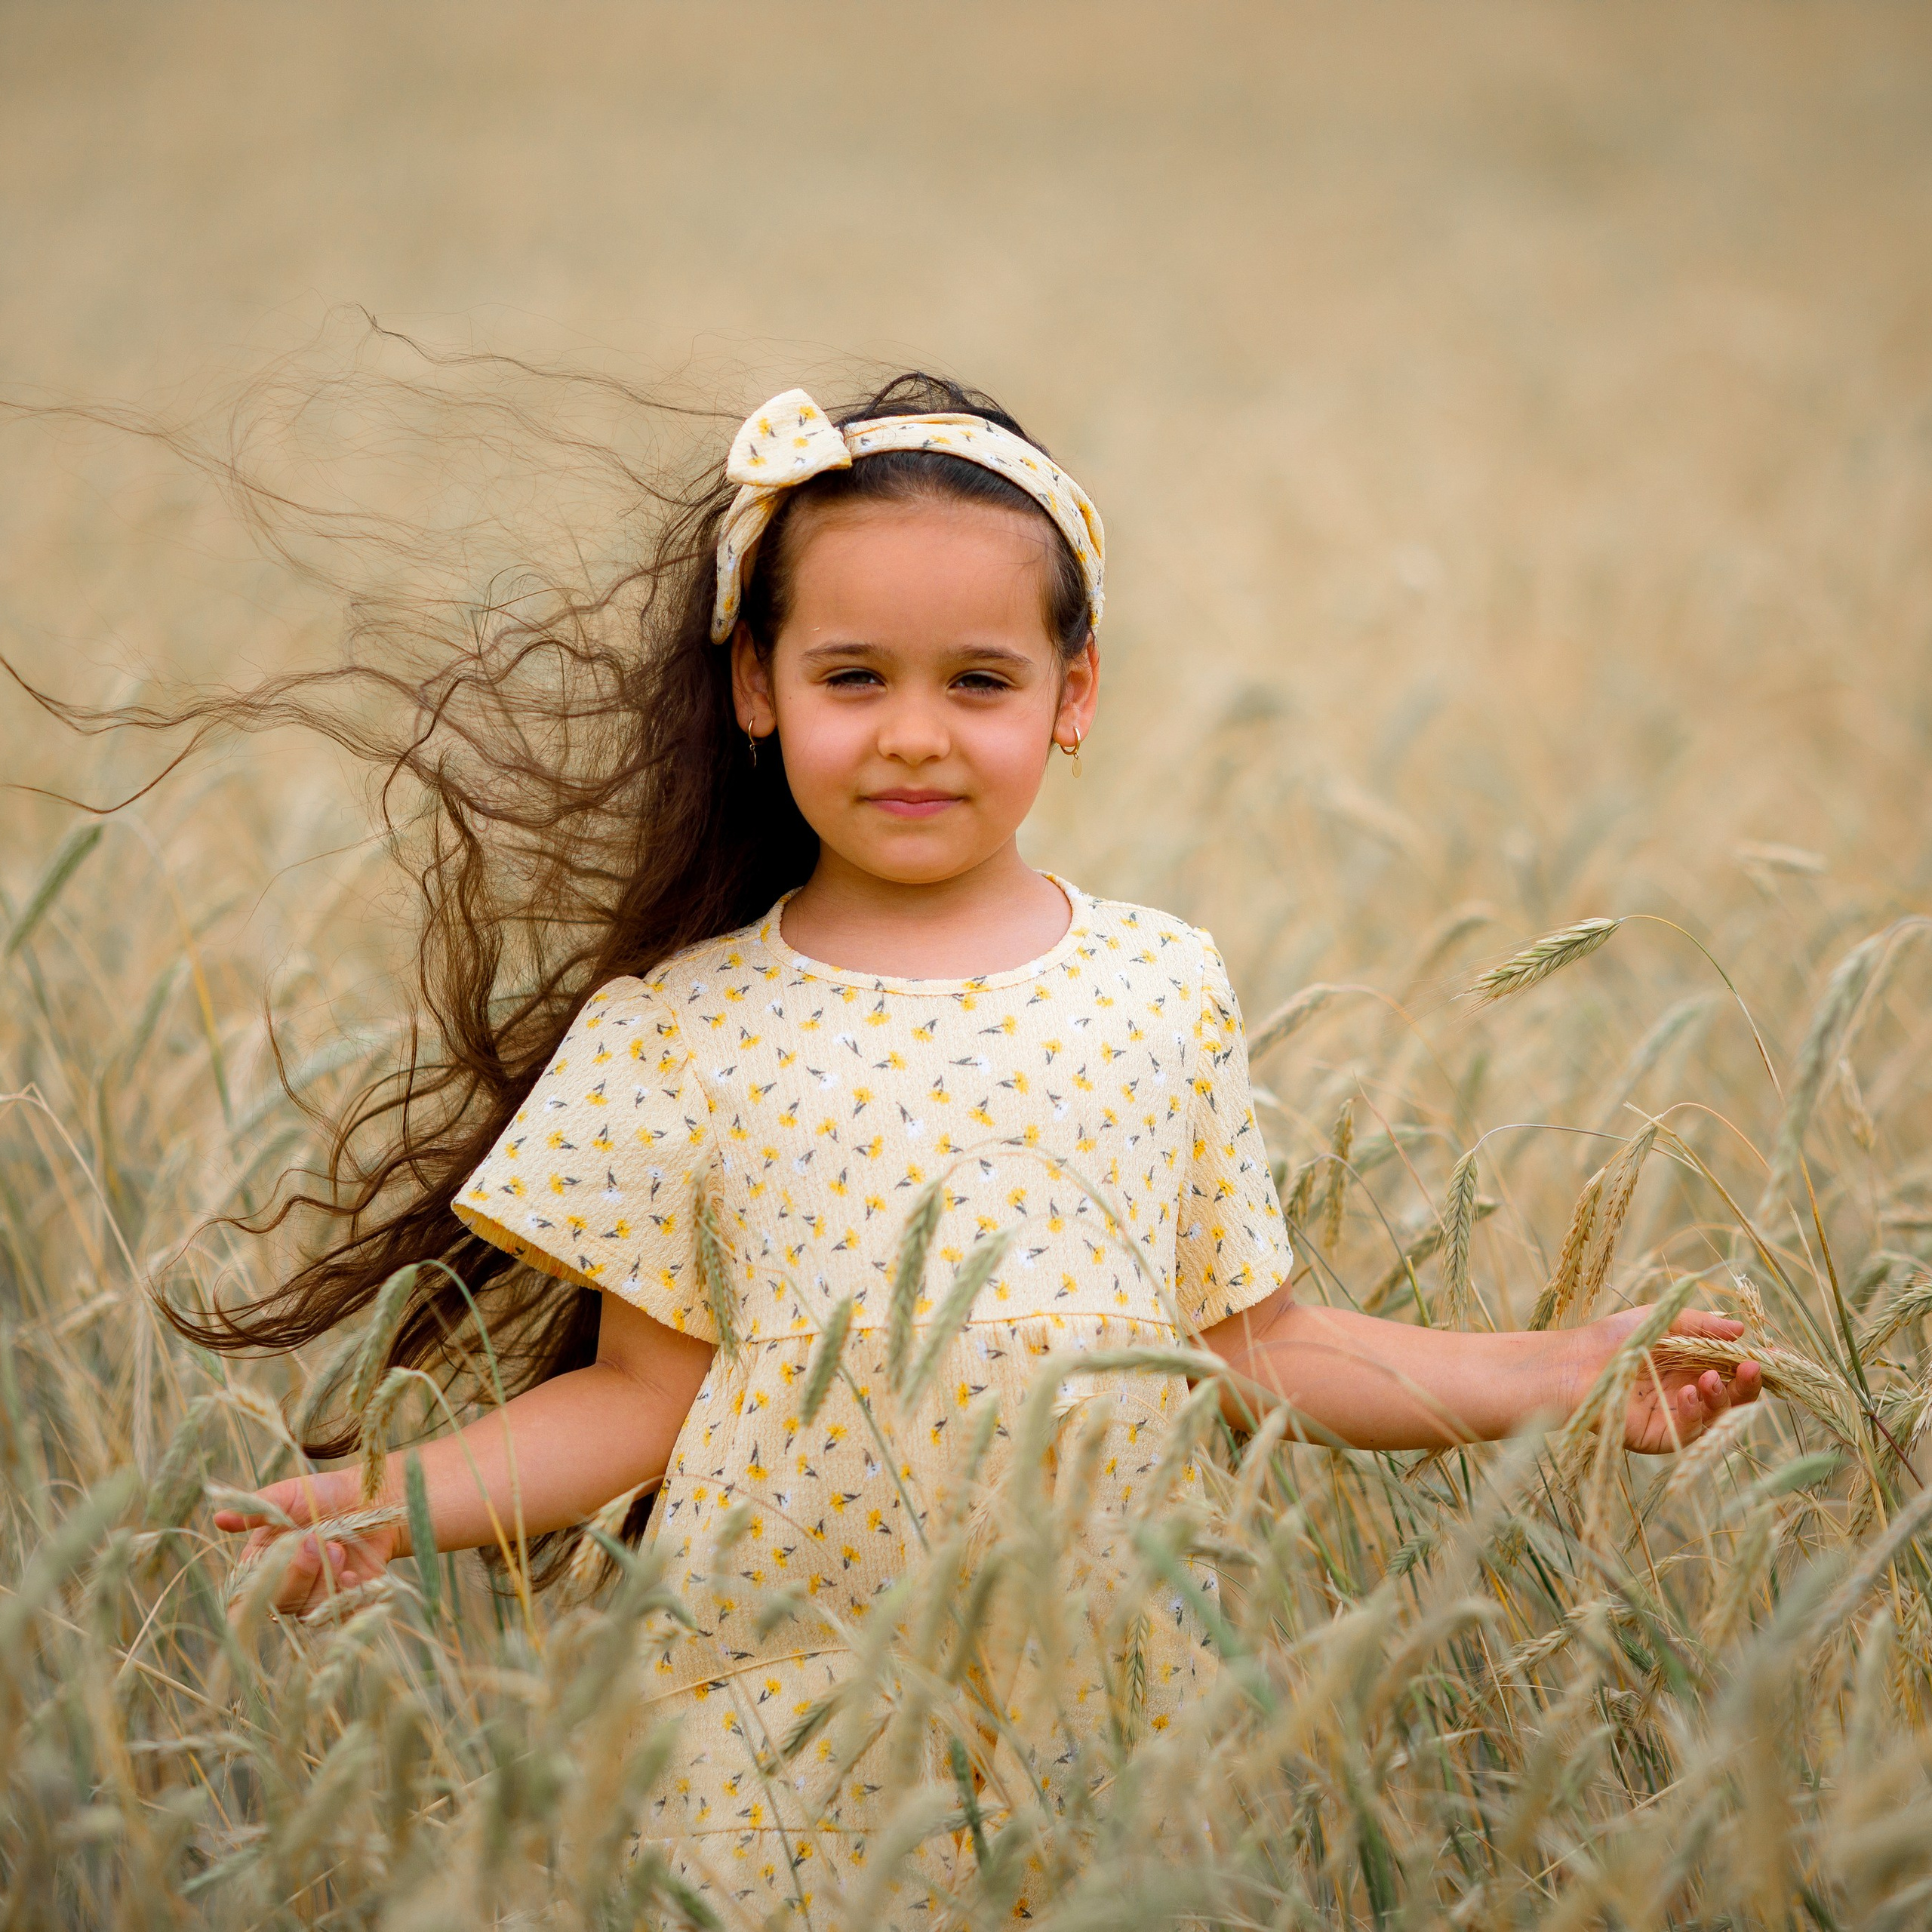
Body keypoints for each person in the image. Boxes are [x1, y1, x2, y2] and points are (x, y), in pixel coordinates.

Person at [212, 374, 1761, 1919]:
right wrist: (375, 1501)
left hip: (1099, 1712)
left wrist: (1559, 1375)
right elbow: (632, 1401)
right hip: (768, 1728)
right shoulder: (676, 1028)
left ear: (1071, 694)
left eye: (976, 680)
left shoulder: (1158, 988)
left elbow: (1251, 1344)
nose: (910, 735)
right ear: (754, 685)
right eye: (850, 676)